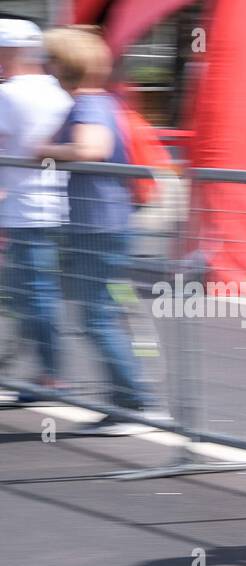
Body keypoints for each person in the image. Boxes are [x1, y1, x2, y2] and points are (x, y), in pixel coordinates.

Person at [37, 26, 158, 421]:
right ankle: (129, 397)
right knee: (97, 313)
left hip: (98, 223)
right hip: (103, 220)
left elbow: (93, 149)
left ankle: (130, 400)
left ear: (65, 64)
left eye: (50, 59)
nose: (45, 66)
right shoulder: (99, 101)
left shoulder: (88, 104)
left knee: (95, 316)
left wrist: (45, 151)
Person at [0, 19, 72, 397]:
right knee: (35, 292)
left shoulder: (9, 94)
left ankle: (50, 377)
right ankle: (44, 374)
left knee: (33, 293)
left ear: (10, 52)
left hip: (24, 210)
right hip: (57, 207)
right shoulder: (58, 90)